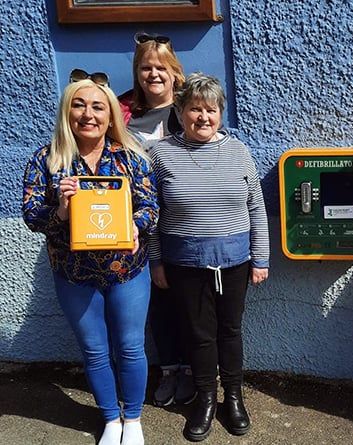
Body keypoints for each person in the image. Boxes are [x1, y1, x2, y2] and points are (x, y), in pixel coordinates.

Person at [22, 70, 159, 445]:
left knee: (130, 346)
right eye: (79, 105)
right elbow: (32, 215)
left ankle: (133, 419)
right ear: (67, 112)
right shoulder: (46, 161)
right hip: (74, 273)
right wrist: (61, 212)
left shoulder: (131, 156)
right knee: (95, 350)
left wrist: (135, 225)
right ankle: (110, 420)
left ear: (110, 114)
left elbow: (151, 207)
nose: (88, 114)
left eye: (98, 107)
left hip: (127, 271)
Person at [149, 72, 270, 441]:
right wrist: (155, 261)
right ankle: (204, 398)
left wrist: (260, 258)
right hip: (184, 264)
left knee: (230, 332)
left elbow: (256, 207)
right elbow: (150, 216)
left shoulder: (237, 150)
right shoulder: (160, 154)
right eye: (195, 109)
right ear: (181, 111)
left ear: (221, 114)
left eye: (212, 110)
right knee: (198, 336)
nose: (204, 117)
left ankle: (232, 397)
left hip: (235, 261)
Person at [119, 32, 195, 408]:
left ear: (174, 72)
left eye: (161, 67)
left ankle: (194, 372)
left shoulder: (188, 109)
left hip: (184, 221)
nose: (154, 74)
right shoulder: (122, 111)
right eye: (146, 67)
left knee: (188, 298)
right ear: (137, 72)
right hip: (136, 222)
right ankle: (169, 370)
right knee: (157, 298)